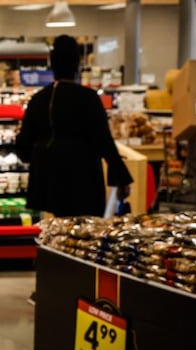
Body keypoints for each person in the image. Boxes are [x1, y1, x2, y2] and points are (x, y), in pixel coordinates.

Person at [14, 34, 133, 218]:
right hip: (84, 179)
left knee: (58, 230)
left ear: (51, 65)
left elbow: (23, 146)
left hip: (50, 183)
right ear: (77, 65)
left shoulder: (39, 99)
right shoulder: (88, 98)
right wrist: (121, 177)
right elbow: (104, 141)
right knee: (83, 233)